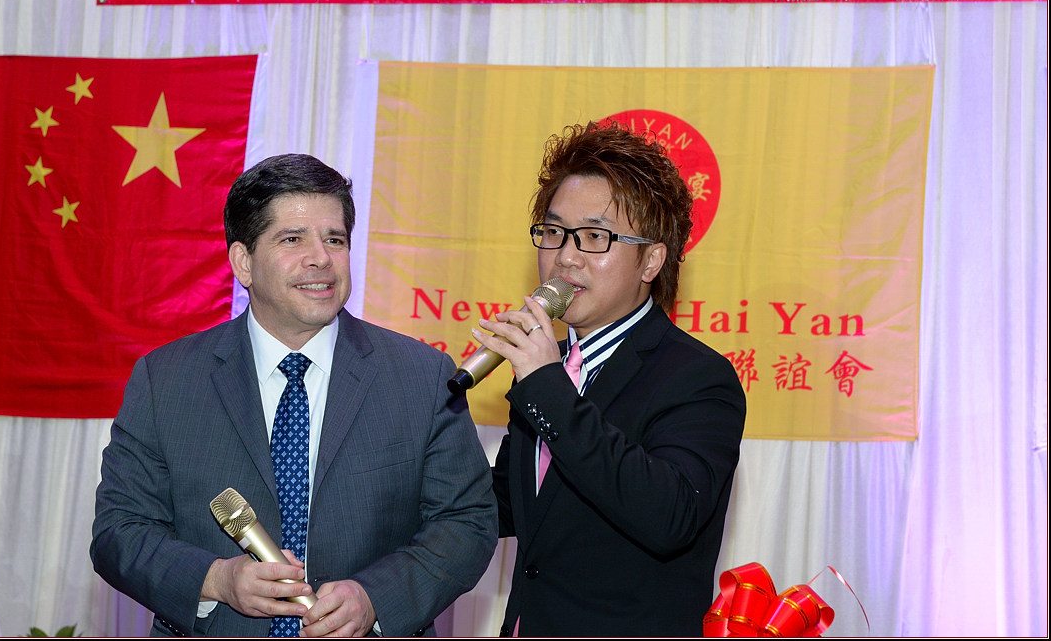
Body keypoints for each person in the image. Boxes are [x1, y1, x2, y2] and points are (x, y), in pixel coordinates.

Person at [91, 153, 497, 637]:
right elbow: (119, 532)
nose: (321, 258)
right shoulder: (167, 380)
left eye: (334, 239)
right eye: (292, 239)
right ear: (243, 262)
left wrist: (375, 599)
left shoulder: (421, 376)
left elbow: (466, 522)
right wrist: (216, 580)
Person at [473, 121, 747, 637]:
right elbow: (511, 504)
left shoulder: (698, 377)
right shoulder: (550, 368)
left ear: (651, 260)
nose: (565, 256)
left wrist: (546, 386)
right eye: (553, 232)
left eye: (595, 237)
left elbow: (669, 516)